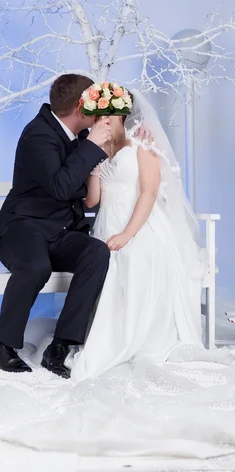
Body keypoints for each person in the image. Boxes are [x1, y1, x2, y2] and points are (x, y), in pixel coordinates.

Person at [69, 87, 206, 382]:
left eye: (106, 116)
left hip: (140, 223)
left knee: (133, 258)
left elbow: (150, 192)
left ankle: (139, 336)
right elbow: (92, 201)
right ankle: (108, 334)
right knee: (104, 263)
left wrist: (127, 234)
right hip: (108, 221)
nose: (100, 122)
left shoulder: (142, 144)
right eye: (96, 117)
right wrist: (93, 168)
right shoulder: (97, 149)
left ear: (120, 115)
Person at [0, 74, 112, 378]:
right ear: (80, 110)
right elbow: (60, 186)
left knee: (95, 253)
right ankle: (2, 344)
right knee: (36, 266)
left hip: (59, 232)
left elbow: (84, 191)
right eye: (94, 104)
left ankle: (60, 346)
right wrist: (92, 146)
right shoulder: (37, 136)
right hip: (22, 229)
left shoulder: (81, 139)